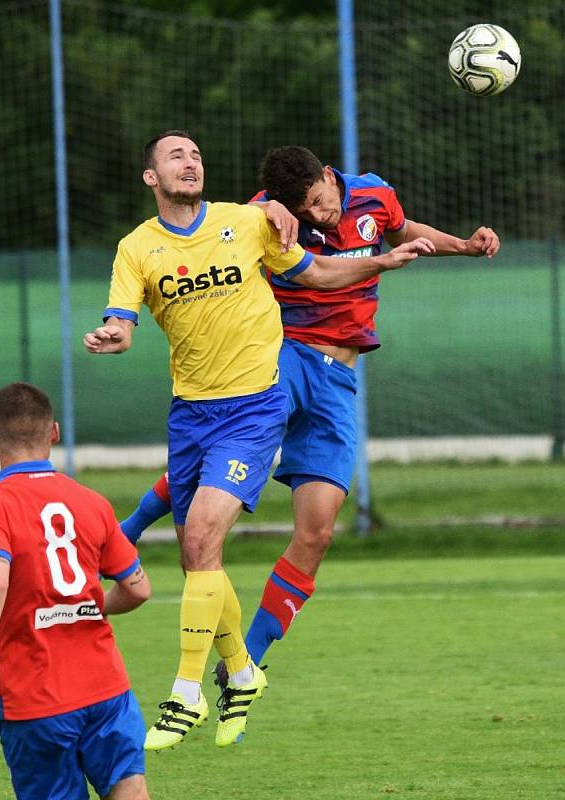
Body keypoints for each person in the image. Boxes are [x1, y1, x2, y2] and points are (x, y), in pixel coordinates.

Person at [84, 130, 434, 751]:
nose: (190, 160)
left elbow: (324, 265)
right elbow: (122, 315)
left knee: (275, 534)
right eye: (175, 155)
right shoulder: (138, 247)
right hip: (200, 405)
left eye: (196, 152)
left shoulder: (245, 222)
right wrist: (114, 332)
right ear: (150, 177)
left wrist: (399, 257)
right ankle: (241, 673)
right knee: (200, 555)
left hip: (271, 390)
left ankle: (188, 689)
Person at [119, 144, 500, 682]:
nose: (318, 216)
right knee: (232, 448)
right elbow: (223, 225)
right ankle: (125, 531)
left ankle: (246, 659)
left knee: (317, 532)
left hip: (339, 379)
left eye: (321, 202)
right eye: (305, 211)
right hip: (284, 354)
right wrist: (268, 209)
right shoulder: (271, 211)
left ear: (329, 176)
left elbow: (400, 229)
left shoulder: (374, 194)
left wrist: (461, 245)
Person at [0, 382, 151, 800]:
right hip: (106, 686)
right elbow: (138, 590)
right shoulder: (92, 502)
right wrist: (86, 607)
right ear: (53, 432)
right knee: (130, 788)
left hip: (34, 695)